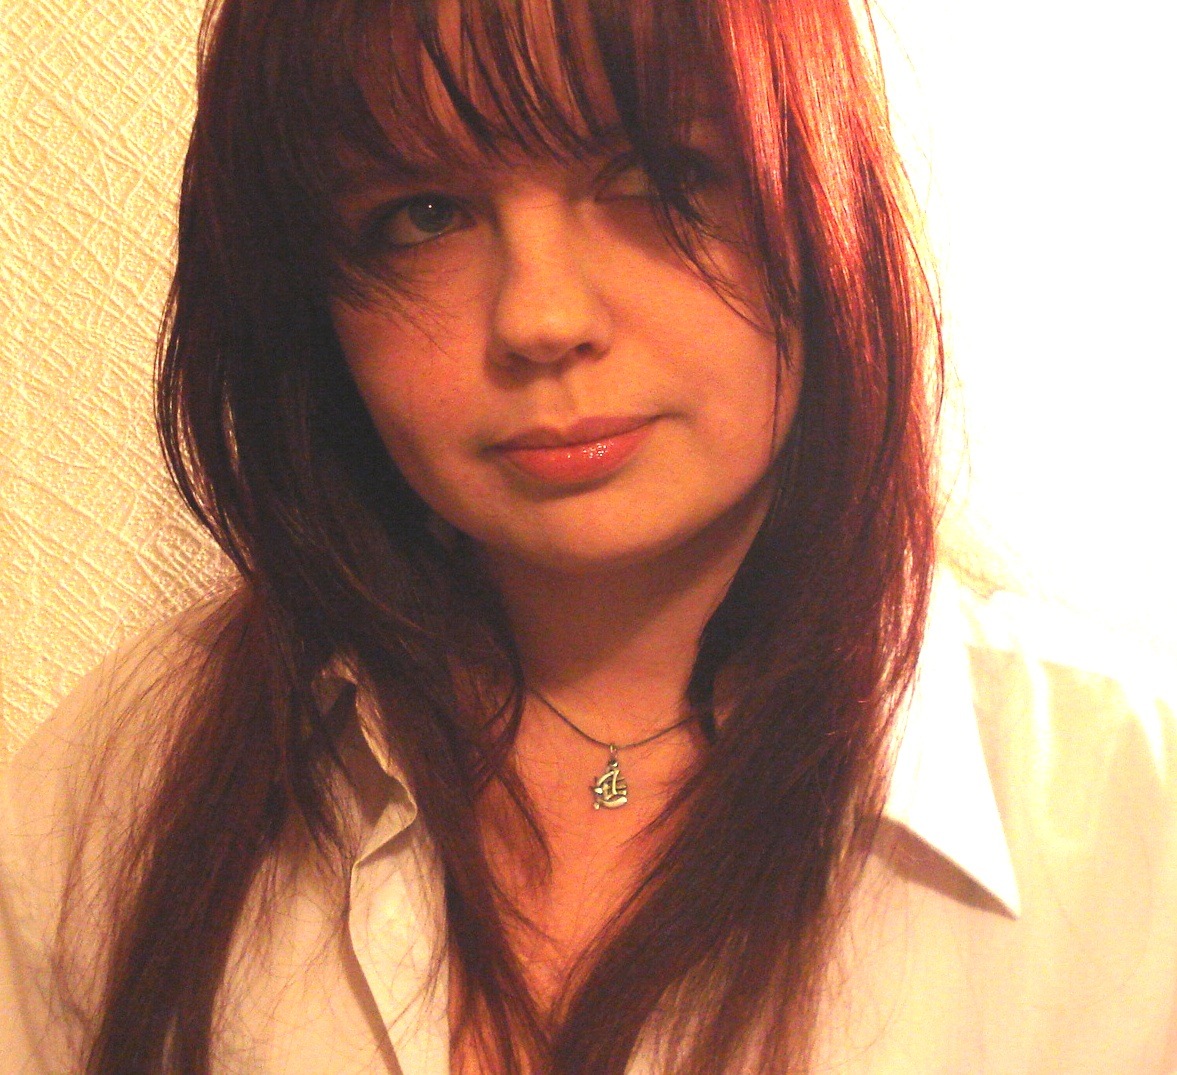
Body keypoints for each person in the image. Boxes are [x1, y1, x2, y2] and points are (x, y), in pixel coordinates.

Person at [1, 0, 1174, 1072]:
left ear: (820, 186)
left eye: (654, 176)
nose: (540, 316)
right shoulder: (129, 778)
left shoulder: (1128, 818)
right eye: (422, 215)